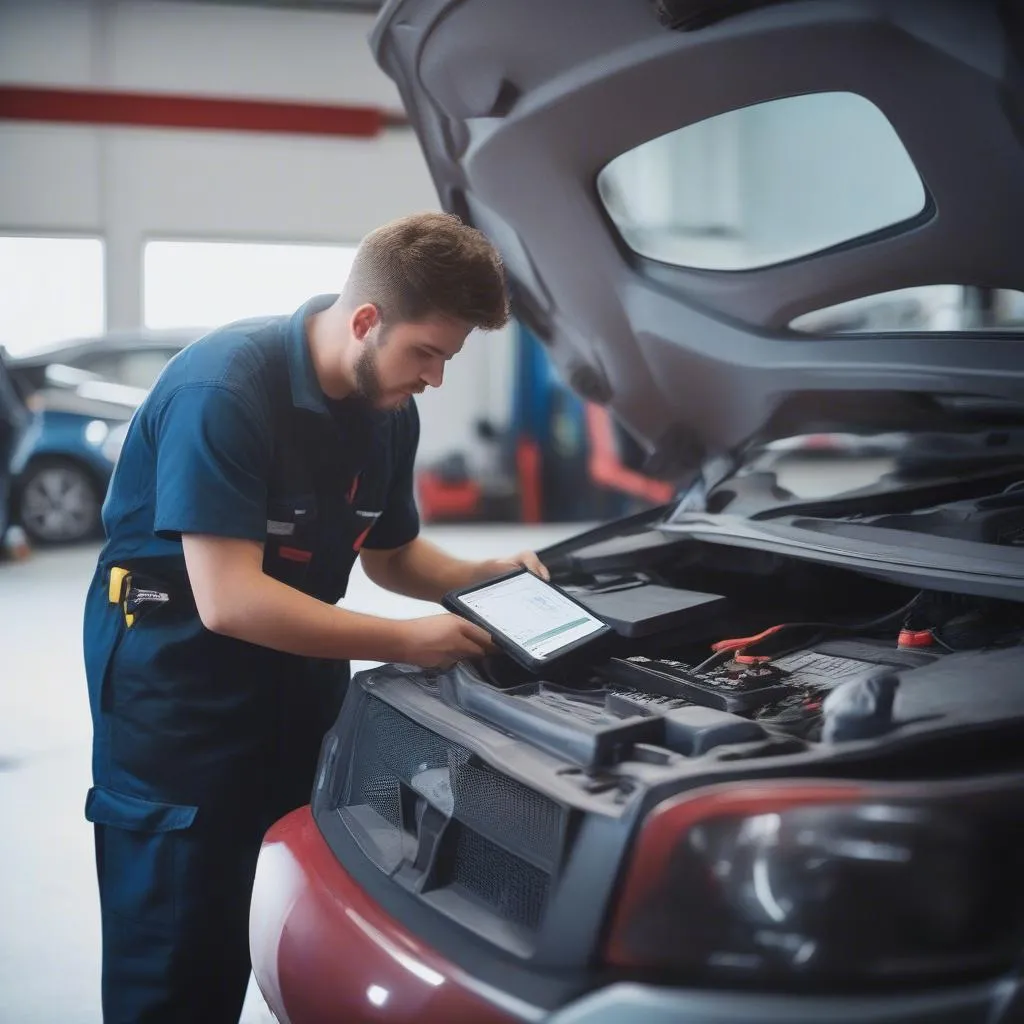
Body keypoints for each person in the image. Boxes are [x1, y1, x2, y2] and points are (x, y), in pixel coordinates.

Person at [82, 211, 548, 1023]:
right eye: (427, 353)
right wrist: (409, 641)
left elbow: (393, 555)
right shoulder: (225, 389)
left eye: (449, 357)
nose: (436, 378)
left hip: (297, 681)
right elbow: (229, 599)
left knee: (302, 916)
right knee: (178, 959)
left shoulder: (387, 413)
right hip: (178, 703)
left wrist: (481, 577)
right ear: (367, 321)